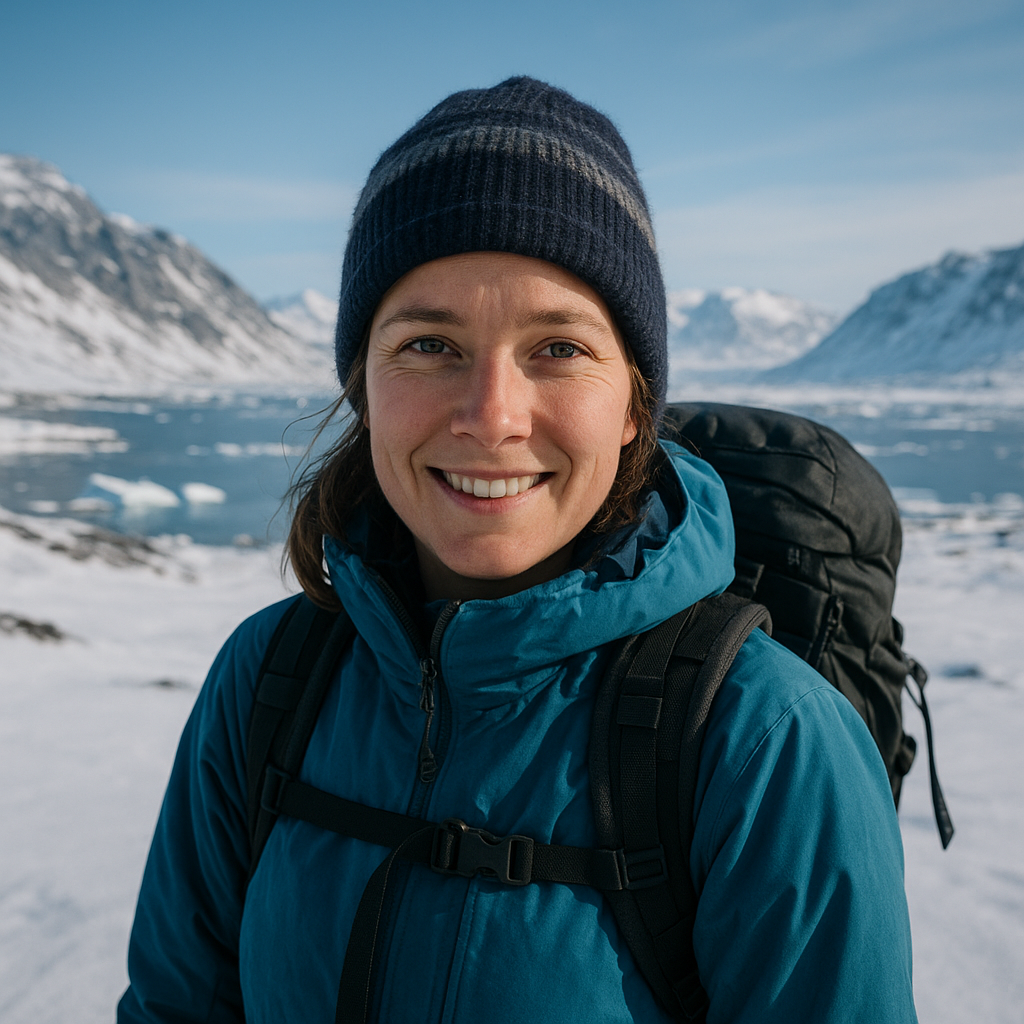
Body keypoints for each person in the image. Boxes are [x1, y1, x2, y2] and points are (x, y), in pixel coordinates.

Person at [118, 77, 917, 1023]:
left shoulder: (764, 740)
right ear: (365, 385)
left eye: (559, 349)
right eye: (429, 344)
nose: (491, 416)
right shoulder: (269, 679)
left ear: (634, 405)